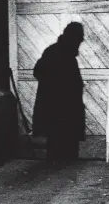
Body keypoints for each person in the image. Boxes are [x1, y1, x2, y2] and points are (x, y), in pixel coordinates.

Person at [32, 22, 86, 163]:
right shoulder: (62, 55)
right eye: (79, 39)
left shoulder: (53, 51)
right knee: (64, 149)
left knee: (57, 146)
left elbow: (38, 72)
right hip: (61, 109)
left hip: (56, 109)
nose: (80, 43)